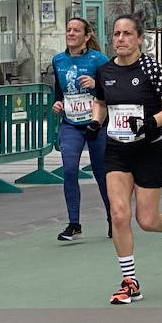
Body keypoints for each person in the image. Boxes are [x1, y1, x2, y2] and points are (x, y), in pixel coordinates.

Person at [91, 15, 162, 306]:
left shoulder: (150, 68)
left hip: (149, 149)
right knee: (119, 214)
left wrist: (152, 122)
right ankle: (129, 281)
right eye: (117, 34)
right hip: (117, 150)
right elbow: (101, 100)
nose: (121, 39)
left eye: (127, 34)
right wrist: (97, 121)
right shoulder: (105, 70)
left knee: (146, 220)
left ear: (139, 38)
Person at [51, 17, 111, 244]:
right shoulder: (58, 60)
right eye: (68, 30)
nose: (71, 34)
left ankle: (112, 218)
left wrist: (96, 85)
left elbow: (112, 86)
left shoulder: (99, 59)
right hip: (70, 123)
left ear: (87, 36)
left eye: (76, 30)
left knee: (102, 173)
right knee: (69, 170)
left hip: (96, 123)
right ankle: (74, 224)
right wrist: (57, 103)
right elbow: (59, 91)